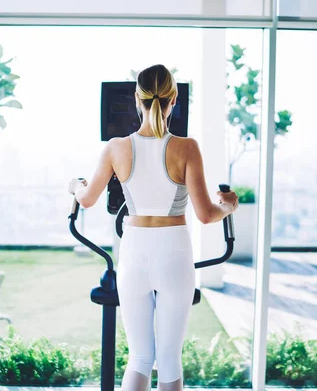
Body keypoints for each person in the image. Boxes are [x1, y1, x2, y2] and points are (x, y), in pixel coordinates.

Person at [68, 64, 239, 391]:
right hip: (174, 252)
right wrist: (228, 206)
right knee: (170, 358)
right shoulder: (187, 148)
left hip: (134, 253)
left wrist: (74, 187)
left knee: (140, 357)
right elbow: (206, 214)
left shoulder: (116, 147)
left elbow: (87, 199)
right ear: (174, 99)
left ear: (137, 99)